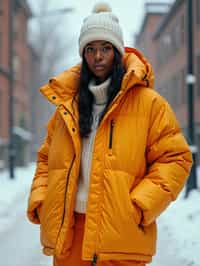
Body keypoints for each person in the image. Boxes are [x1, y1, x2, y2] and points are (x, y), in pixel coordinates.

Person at [27, 3, 192, 266]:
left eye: (105, 48)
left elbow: (176, 158)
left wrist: (139, 205)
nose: (98, 56)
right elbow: (47, 159)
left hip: (120, 237)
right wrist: (41, 198)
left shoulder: (149, 104)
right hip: (70, 237)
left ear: (117, 51)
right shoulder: (68, 108)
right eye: (90, 49)